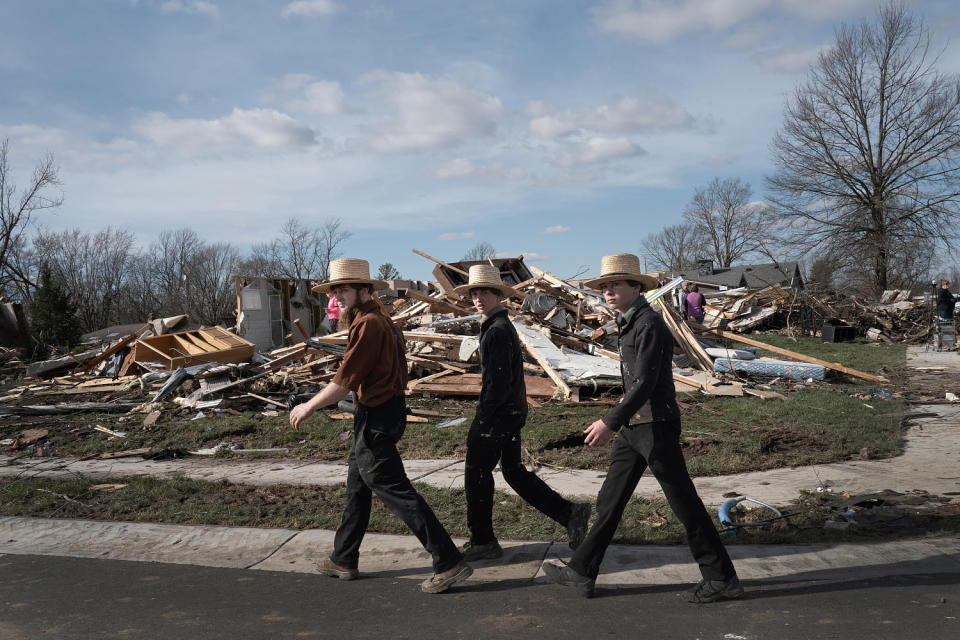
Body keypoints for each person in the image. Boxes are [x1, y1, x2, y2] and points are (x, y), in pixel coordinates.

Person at [542, 253, 742, 603]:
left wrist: (609, 421)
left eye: (615, 284)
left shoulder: (648, 323)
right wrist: (620, 420)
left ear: (636, 287)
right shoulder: (629, 322)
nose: (608, 291)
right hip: (637, 425)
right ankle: (581, 571)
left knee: (684, 503)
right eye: (604, 286)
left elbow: (646, 382)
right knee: (610, 500)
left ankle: (721, 577)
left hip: (655, 425)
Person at [288, 258, 471, 594]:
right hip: (381, 412)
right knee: (358, 486)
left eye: (342, 289)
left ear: (364, 289)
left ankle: (448, 561)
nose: (337, 297)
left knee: (396, 491)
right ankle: (343, 558)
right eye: (334, 290)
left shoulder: (370, 323)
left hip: (377, 417)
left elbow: (345, 381)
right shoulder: (375, 317)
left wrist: (309, 405)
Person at [452, 265, 592, 561]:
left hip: (499, 415)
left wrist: (482, 419)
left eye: (484, 292)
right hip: (510, 413)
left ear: (497, 295)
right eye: (474, 292)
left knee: (476, 472)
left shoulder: (499, 330)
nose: (478, 297)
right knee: (514, 472)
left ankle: (483, 540)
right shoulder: (495, 326)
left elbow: (498, 384)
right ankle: (570, 514)